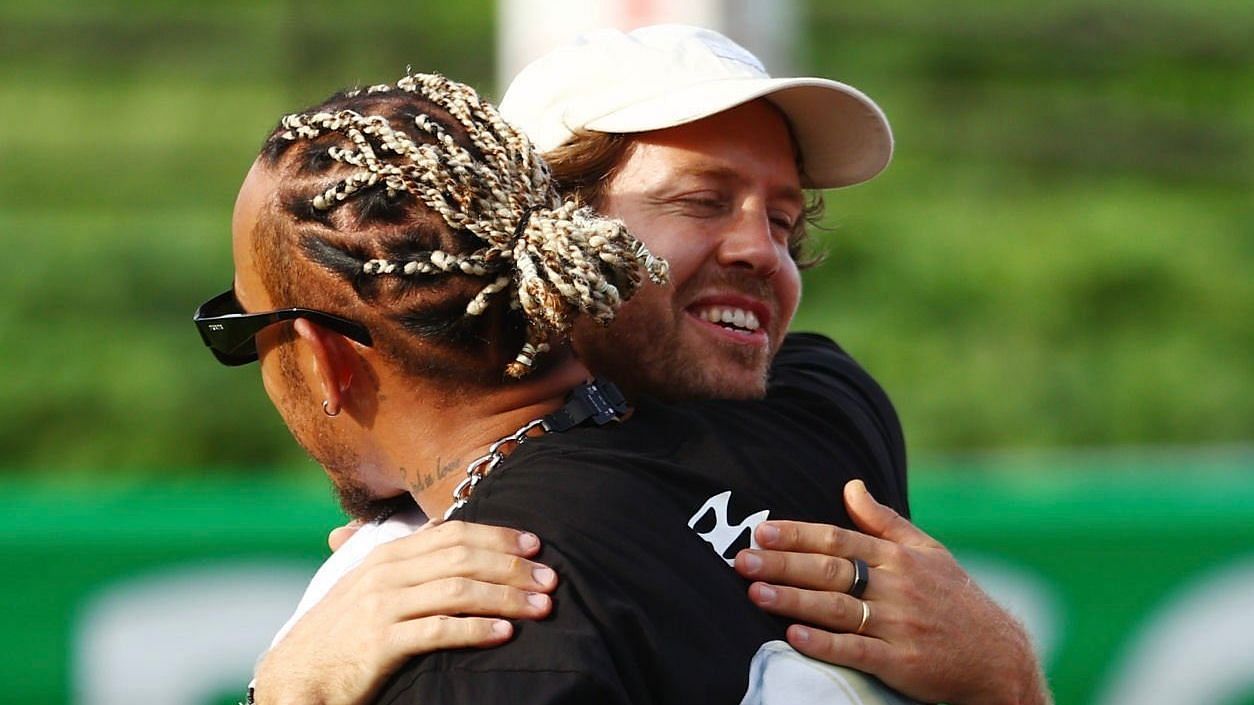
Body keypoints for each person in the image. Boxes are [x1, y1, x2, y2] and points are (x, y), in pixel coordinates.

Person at [235, 25, 1049, 705]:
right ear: (544, 223)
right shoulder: (822, 412)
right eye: (700, 201)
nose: (765, 252)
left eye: (786, 220)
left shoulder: (476, 605)